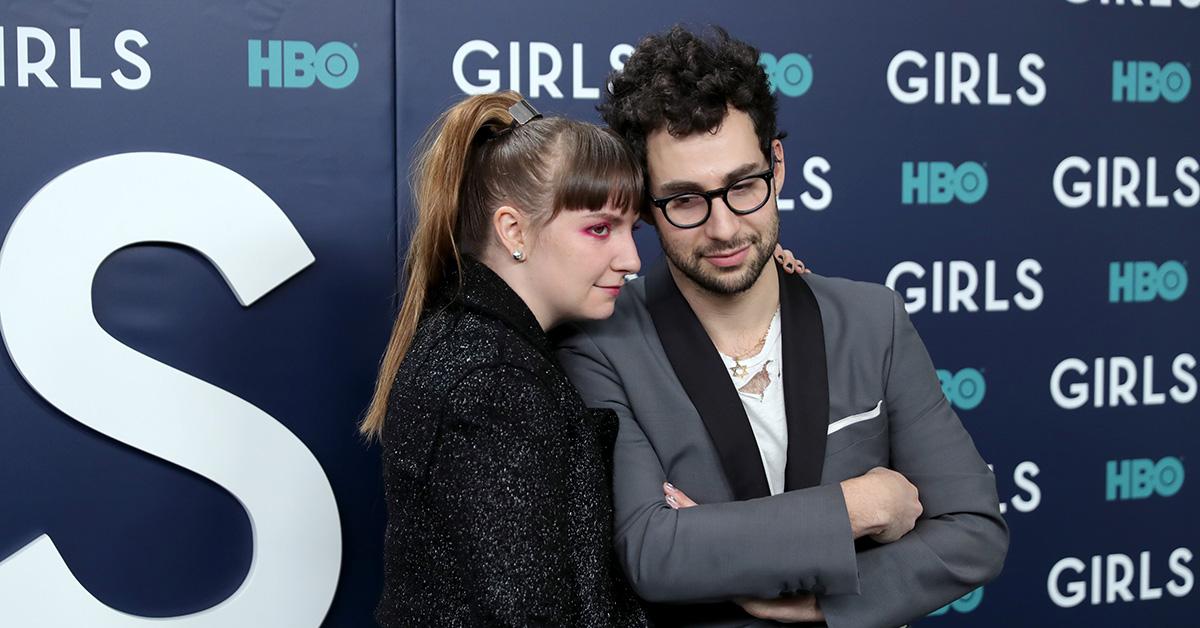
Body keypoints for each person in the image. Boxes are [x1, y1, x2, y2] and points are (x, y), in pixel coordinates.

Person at [555, 26, 1009, 628]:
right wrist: (860, 505)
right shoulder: (599, 345)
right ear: (644, 203)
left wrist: (827, 601)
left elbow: (973, 531)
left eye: (743, 185)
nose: (722, 229)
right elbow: (652, 552)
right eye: (685, 200)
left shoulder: (875, 320)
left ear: (777, 165)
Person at [360, 91, 649, 626]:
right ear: (513, 230)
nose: (631, 259)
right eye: (600, 228)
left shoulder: (478, 344)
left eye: (633, 228)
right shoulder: (493, 380)